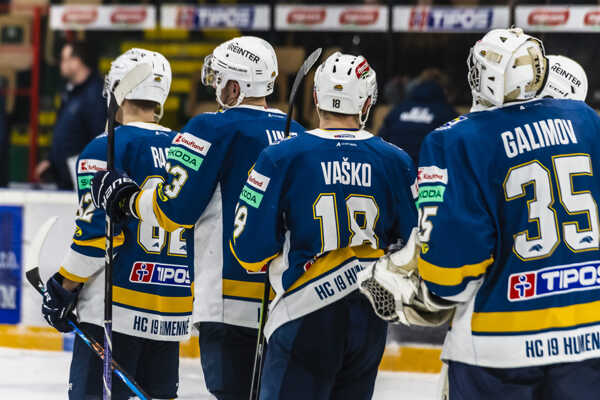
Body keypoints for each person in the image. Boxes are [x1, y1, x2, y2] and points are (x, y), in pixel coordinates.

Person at [361, 28, 600, 400]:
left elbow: (451, 273)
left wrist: (425, 292)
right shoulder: (586, 121)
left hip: (496, 345)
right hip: (588, 338)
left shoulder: (457, 138)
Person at [90, 36, 306, 400]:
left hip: (228, 300)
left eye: (221, 79)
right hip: (287, 299)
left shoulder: (212, 127)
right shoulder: (298, 134)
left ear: (234, 86)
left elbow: (173, 210)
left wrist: (124, 199)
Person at [229, 52, 417, 399]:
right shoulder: (397, 160)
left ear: (316, 98)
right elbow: (414, 243)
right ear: (366, 103)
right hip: (368, 315)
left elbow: (248, 249)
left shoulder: (281, 156)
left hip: (303, 312)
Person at [41, 48, 193, 399]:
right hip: (170, 311)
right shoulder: (189, 150)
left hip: (115, 312)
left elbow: (97, 240)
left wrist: (64, 286)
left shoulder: (103, 148)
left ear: (116, 91)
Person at [34, 41, 106, 190]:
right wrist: (50, 159)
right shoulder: (69, 91)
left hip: (84, 177)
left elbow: (99, 136)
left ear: (76, 61)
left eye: (64, 59)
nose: (61, 64)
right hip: (65, 176)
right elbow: (63, 132)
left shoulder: (95, 93)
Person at [377, 69, 457, 164]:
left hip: (394, 168)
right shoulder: (448, 114)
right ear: (445, 91)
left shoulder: (398, 110)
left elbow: (380, 142)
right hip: (427, 171)